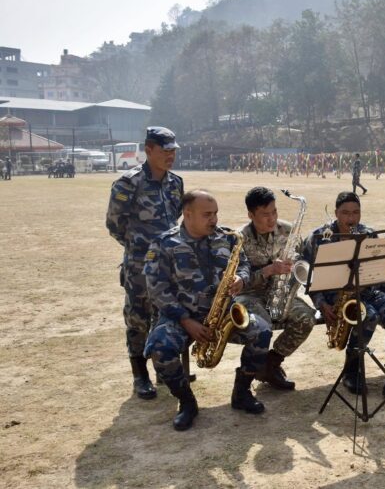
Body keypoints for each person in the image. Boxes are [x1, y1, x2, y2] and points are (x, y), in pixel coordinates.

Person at [144, 190, 269, 430]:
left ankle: (241, 392)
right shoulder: (163, 244)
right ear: (187, 214)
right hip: (181, 316)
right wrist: (185, 320)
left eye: (216, 214)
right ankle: (187, 401)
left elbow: (242, 264)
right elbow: (157, 290)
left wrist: (241, 279)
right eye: (207, 215)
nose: (214, 220)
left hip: (223, 313)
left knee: (261, 333)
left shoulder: (228, 238)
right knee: (160, 349)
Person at [303, 192, 385, 399]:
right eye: (345, 213)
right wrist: (321, 304)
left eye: (356, 213)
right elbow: (307, 275)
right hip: (334, 296)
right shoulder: (319, 237)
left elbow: (380, 270)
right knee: (368, 315)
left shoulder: (368, 233)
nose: (351, 218)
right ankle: (352, 370)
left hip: (367, 291)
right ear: (335, 213)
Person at [105, 127, 183, 401]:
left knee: (165, 315)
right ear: (148, 150)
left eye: (173, 150)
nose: (170, 155)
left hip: (169, 265)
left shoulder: (176, 183)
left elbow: (176, 220)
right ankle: (140, 375)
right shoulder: (128, 184)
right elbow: (115, 225)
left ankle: (165, 368)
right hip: (139, 266)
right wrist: (141, 249)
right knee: (138, 319)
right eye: (165, 150)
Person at [235, 187, 315, 391]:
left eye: (274, 212)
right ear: (251, 215)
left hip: (281, 293)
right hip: (250, 295)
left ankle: (271, 363)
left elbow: (303, 261)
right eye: (264, 215)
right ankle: (249, 373)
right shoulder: (239, 239)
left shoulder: (288, 230)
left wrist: (295, 264)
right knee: (264, 326)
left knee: (307, 318)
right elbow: (239, 282)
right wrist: (268, 270)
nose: (271, 219)